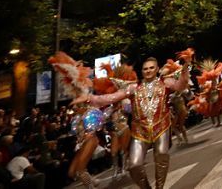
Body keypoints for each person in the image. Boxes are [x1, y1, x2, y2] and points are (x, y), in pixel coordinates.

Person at [79, 55, 190, 189]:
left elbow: (181, 85)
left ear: (157, 69)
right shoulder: (133, 88)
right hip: (140, 131)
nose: (148, 71)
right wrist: (90, 98)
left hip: (161, 125)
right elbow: (111, 98)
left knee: (161, 154)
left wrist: (185, 70)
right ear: (141, 71)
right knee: (134, 166)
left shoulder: (166, 83)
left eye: (151, 68)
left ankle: (159, 187)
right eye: (145, 69)